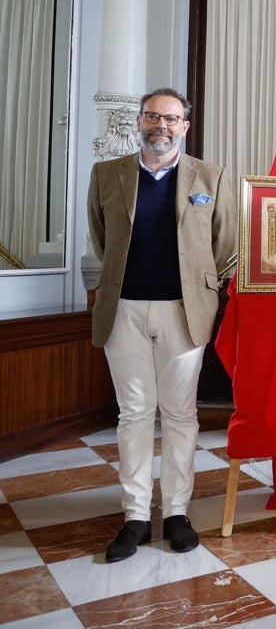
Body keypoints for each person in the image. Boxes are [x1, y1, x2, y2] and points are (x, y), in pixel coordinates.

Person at [87, 87, 236, 562]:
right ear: (140, 121)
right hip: (124, 309)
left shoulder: (209, 177)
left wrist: (200, 291)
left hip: (184, 312)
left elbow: (225, 245)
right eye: (153, 117)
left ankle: (176, 513)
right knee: (133, 415)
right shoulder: (107, 174)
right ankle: (134, 516)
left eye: (171, 119)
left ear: (185, 126)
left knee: (179, 415)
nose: (161, 126)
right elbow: (100, 237)